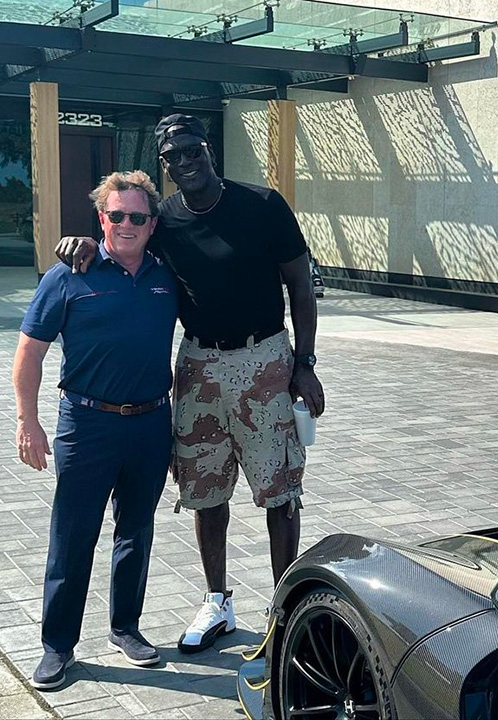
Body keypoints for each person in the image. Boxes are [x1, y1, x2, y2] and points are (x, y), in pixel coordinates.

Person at [58, 114, 325, 654]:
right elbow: (125, 237)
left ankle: (284, 606)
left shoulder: (263, 204)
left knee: (280, 492)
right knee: (205, 490)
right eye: (173, 155)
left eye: (193, 149)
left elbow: (300, 282)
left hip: (265, 359)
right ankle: (218, 601)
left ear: (209, 150)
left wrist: (305, 362)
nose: (186, 161)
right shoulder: (166, 220)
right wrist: (88, 241)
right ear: (165, 164)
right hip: (199, 366)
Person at [14, 171, 176, 689]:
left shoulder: (167, 274)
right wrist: (27, 422)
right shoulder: (67, 274)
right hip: (86, 425)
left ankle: (125, 629)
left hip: (152, 422)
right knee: (73, 535)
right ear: (101, 218)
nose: (126, 225)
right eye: (116, 215)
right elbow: (29, 352)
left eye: (138, 216)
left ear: (152, 224)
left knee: (136, 531)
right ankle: (57, 647)